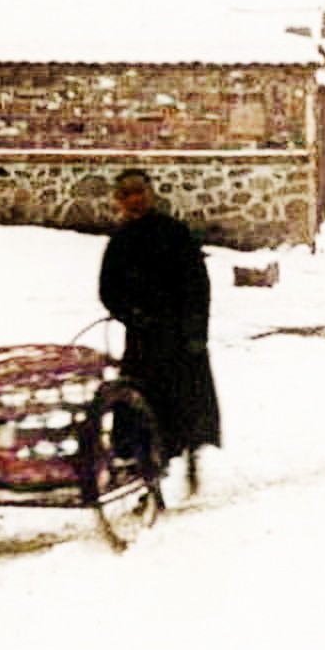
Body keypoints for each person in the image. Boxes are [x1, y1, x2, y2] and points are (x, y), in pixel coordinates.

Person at [98, 169, 220, 495]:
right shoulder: (119, 242)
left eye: (139, 192)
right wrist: (131, 314)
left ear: (150, 195)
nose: (134, 199)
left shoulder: (174, 233)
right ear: (118, 201)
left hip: (181, 339)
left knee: (186, 405)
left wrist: (197, 332)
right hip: (143, 341)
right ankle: (148, 478)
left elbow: (198, 286)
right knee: (139, 409)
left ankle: (191, 456)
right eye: (126, 194)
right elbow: (108, 290)